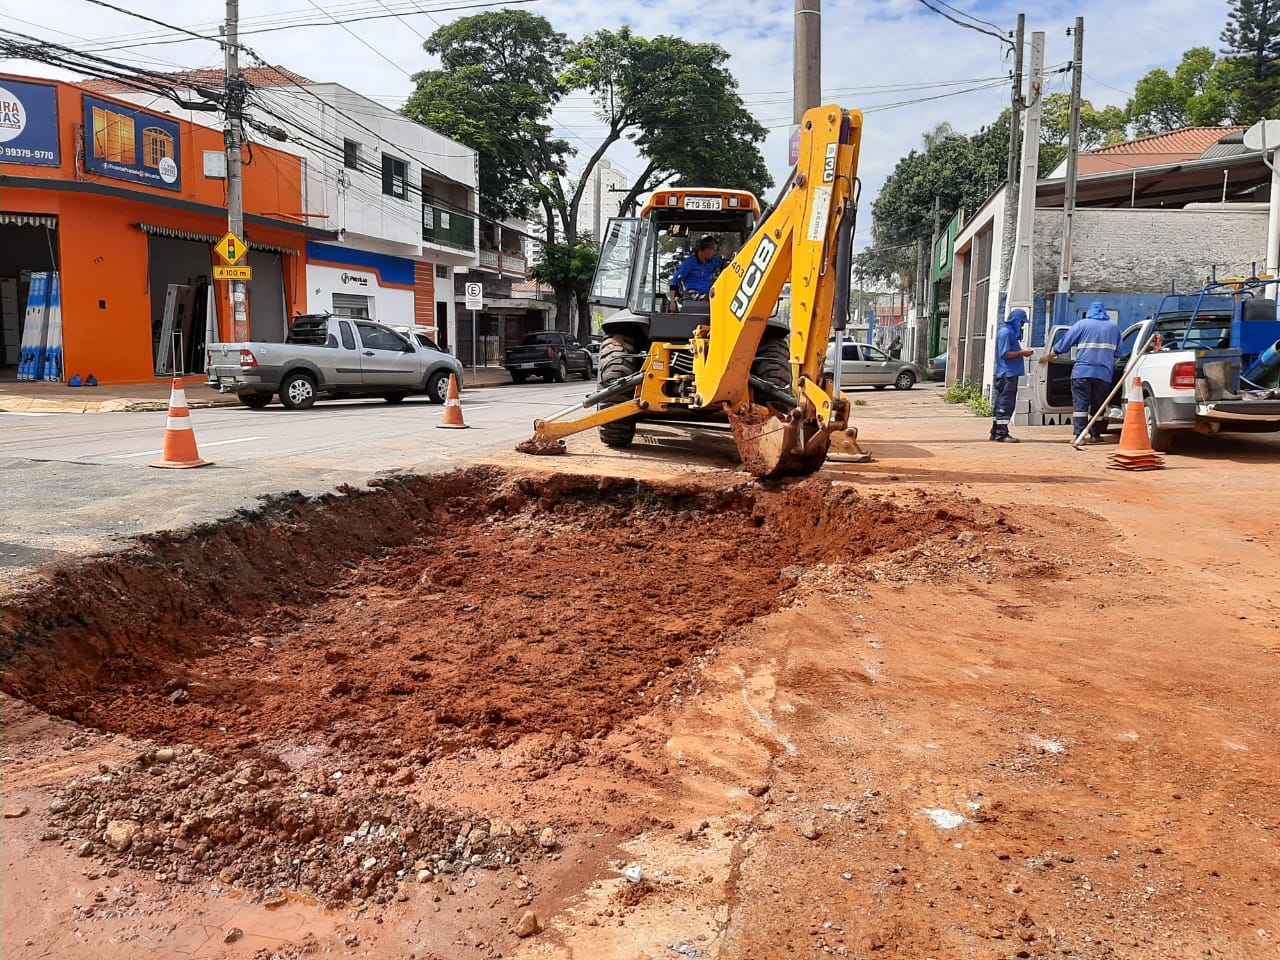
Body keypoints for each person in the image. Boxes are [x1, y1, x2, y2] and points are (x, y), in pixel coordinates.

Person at [1049, 301, 1120, 444]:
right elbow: (1118, 353)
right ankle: (1096, 435)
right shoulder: (1114, 328)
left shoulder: (1082, 324)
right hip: (1104, 374)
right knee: (1099, 406)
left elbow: (1064, 344)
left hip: (1082, 372)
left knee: (1080, 406)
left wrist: (1053, 353)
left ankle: (1079, 436)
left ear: (1089, 312)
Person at [991, 307, 1034, 442]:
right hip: (1007, 375)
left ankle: (995, 431)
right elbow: (1005, 354)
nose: (1022, 326)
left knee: (1001, 403)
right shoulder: (1006, 333)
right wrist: (1023, 353)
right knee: (1005, 403)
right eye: (1021, 323)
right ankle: (1001, 434)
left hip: (1008, 374)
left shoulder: (1008, 333)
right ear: (1016, 321)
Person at [669, 235, 727, 307]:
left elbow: (727, 265)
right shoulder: (689, 263)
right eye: (714, 250)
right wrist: (672, 302)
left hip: (710, 296)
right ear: (706, 249)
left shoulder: (714, 261)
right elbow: (675, 281)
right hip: (693, 296)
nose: (715, 253)